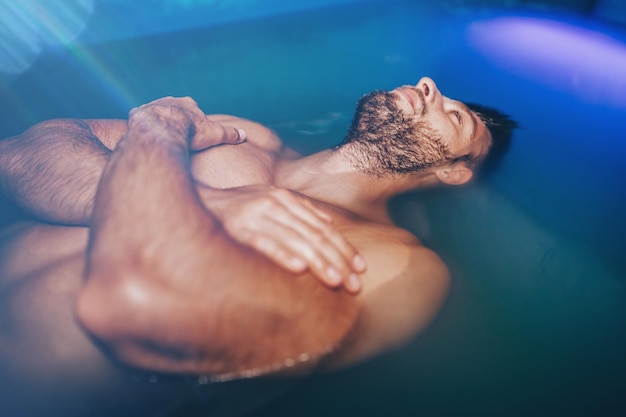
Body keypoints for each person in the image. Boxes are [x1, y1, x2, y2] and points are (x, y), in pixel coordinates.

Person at [0, 77, 516, 417]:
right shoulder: (246, 138)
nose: (429, 85)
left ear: (453, 172)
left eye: (455, 115)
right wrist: (207, 203)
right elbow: (19, 153)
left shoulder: (399, 264)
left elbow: (138, 308)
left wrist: (158, 131)